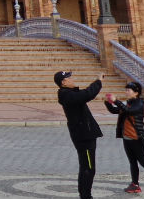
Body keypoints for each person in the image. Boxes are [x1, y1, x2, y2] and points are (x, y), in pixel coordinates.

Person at [105, 82, 144, 194]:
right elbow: (115, 110)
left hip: (136, 138)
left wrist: (116, 101)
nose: (126, 92)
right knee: (132, 162)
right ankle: (135, 184)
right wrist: (108, 102)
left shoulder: (139, 103)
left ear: (136, 92)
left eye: (129, 90)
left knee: (143, 162)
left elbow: (129, 111)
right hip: (126, 138)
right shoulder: (128, 103)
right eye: (126, 90)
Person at [56, 70, 104, 199]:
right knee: (88, 168)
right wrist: (98, 81)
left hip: (85, 134)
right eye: (69, 78)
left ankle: (84, 195)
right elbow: (88, 94)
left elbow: (84, 93)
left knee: (85, 167)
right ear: (64, 82)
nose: (72, 80)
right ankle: (86, 196)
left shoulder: (69, 93)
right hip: (84, 136)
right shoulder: (66, 95)